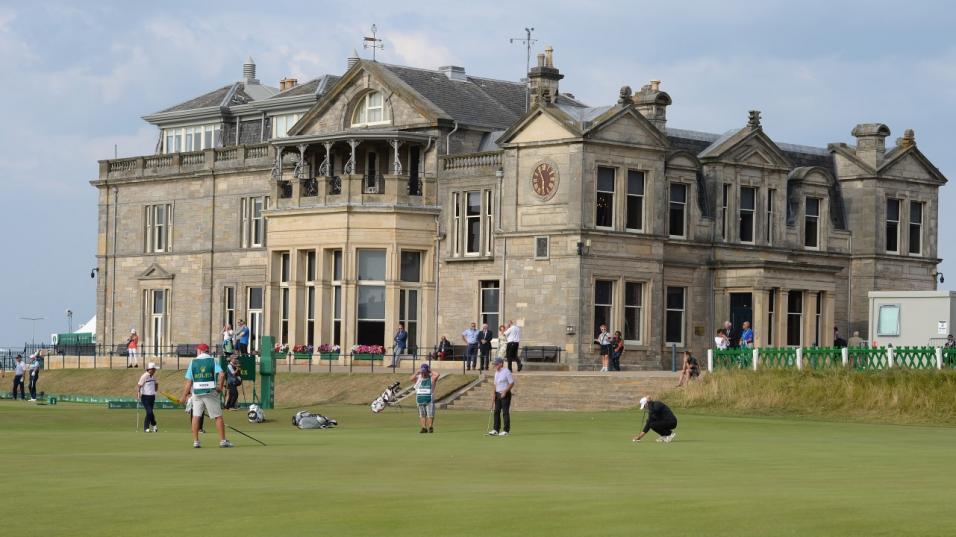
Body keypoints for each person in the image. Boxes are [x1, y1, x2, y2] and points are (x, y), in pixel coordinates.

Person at [178, 343, 233, 448]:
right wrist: (220, 387)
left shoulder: (193, 362)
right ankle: (222, 441)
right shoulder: (212, 360)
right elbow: (222, 374)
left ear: (199, 351)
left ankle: (196, 441)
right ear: (207, 351)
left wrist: (184, 396)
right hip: (210, 392)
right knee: (217, 416)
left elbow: (189, 382)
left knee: (196, 416)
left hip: (197, 393)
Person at [487, 357, 514, 436]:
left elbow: (511, 383)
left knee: (505, 412)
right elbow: (495, 384)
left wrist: (505, 391)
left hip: (505, 394)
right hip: (498, 394)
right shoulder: (496, 372)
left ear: (501, 364)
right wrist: (494, 394)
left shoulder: (506, 371)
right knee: (496, 412)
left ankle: (506, 430)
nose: (494, 366)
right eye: (494, 364)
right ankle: (496, 429)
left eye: (496, 364)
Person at [411, 363, 440, 433]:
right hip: (420, 399)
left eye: (424, 372)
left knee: (430, 414)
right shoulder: (419, 378)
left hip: (429, 399)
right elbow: (411, 378)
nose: (423, 374)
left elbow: (437, 374)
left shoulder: (431, 378)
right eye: (422, 372)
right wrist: (417, 372)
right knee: (422, 414)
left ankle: (430, 427)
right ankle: (424, 428)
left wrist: (430, 370)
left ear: (427, 371)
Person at [137, 363, 159, 432]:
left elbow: (156, 384)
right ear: (150, 369)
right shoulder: (144, 376)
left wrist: (155, 391)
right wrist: (138, 393)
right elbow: (139, 385)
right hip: (145, 397)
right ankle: (146, 428)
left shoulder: (153, 376)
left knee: (150, 412)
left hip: (152, 397)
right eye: (154, 369)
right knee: (149, 412)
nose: (155, 370)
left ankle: (154, 426)